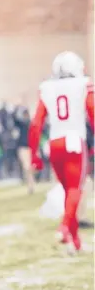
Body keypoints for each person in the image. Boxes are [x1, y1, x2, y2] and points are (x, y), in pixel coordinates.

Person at [29, 51, 94, 253]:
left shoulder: (47, 88)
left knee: (69, 193)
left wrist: (34, 154)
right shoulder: (84, 85)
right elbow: (93, 113)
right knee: (76, 189)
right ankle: (64, 227)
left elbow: (36, 123)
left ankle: (74, 243)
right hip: (75, 141)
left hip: (54, 143)